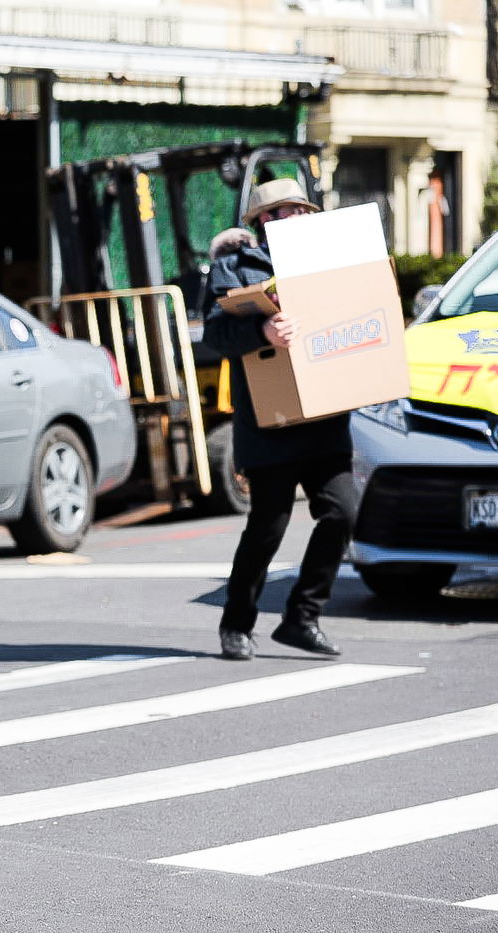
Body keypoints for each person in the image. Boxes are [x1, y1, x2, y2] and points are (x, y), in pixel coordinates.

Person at [202, 177, 358, 662]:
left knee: (342, 513)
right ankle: (236, 623)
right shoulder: (234, 266)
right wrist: (262, 328)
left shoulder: (331, 260)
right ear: (262, 222)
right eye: (284, 211)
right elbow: (216, 334)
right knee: (267, 527)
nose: (296, 218)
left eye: (301, 210)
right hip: (271, 420)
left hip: (325, 412)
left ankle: (302, 618)